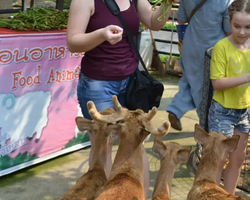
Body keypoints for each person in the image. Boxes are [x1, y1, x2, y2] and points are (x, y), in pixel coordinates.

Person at [66, 0, 180, 198]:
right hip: (98, 84)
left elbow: (155, 23)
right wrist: (101, 35)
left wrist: (167, 3)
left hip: (131, 83)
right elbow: (73, 42)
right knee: (104, 145)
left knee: (136, 143)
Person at [166, 0, 233, 131]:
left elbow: (181, 19)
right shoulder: (225, 1)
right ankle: (205, 125)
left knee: (189, 80)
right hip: (213, 51)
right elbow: (229, 30)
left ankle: (176, 108)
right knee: (206, 90)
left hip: (190, 46)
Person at [208, 0, 250, 194]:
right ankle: (214, 196)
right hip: (222, 111)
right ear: (229, 22)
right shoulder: (221, 47)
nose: (242, 32)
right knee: (220, 159)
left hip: (245, 111)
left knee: (237, 159)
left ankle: (229, 196)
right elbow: (217, 83)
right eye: (237, 26)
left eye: (248, 27)